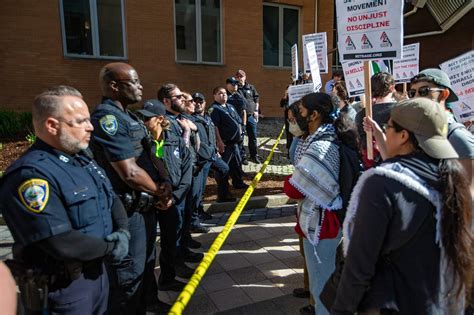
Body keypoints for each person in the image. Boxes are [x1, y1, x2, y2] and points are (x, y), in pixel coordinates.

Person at [333, 98, 473, 314]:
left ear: (403, 135)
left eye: (388, 126)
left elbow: (359, 264)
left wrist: (341, 310)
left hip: (393, 304)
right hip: (438, 303)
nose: (385, 132)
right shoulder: (453, 180)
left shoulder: (380, 183)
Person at [0, 86, 130, 314]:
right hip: (66, 289)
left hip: (97, 276)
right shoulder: (31, 175)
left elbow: (111, 198)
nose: (91, 127)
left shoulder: (81, 160)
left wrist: (123, 231)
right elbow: (60, 242)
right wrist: (112, 247)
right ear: (52, 125)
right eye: (81, 121)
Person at [90, 63, 172, 314]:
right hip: (126, 212)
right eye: (134, 82)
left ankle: (149, 302)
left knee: (146, 262)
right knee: (127, 276)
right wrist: (158, 191)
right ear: (114, 86)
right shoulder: (108, 119)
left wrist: (165, 182)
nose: (140, 86)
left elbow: (151, 153)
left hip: (145, 207)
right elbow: (129, 172)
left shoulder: (131, 117)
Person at [285, 92, 359, 315]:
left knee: (321, 285)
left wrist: (290, 179)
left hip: (321, 223)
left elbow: (294, 189)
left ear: (314, 114)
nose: (298, 116)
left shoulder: (320, 146)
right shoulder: (327, 136)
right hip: (328, 220)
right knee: (327, 280)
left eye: (302, 111)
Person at [409, 68, 474, 197]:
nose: (416, 97)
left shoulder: (457, 137)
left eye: (424, 91)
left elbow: (469, 195)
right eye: (412, 93)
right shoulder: (419, 134)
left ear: (444, 94)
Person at [192, 92, 235, 203]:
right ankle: (198, 210)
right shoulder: (191, 120)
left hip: (212, 153)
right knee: (200, 184)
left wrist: (216, 147)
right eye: (195, 102)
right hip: (201, 157)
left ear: (205, 103)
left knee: (224, 169)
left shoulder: (207, 117)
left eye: (200, 102)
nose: (198, 104)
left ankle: (223, 196)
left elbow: (212, 133)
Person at [355, 72, 397, 169]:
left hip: (369, 167)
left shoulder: (361, 114)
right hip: (395, 165)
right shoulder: (400, 111)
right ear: (392, 87)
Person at [209, 87, 248, 190]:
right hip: (225, 144)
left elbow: (238, 120)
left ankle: (238, 183)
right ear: (214, 96)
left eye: (225, 93)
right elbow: (214, 126)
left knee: (237, 164)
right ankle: (223, 189)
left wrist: (241, 131)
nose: (224, 95)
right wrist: (219, 141)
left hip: (235, 143)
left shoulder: (230, 106)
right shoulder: (214, 109)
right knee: (223, 168)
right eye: (220, 93)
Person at [235, 69, 262, 164]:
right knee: (241, 137)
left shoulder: (251, 87)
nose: (239, 78)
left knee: (253, 137)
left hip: (251, 116)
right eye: (238, 76)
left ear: (245, 77)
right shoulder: (235, 88)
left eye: (241, 76)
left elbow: (256, 98)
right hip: (240, 116)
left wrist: (256, 110)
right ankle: (242, 157)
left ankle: (253, 155)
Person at [226, 76, 248, 165]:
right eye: (233, 84)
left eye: (236, 84)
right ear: (227, 85)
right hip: (228, 125)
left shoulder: (239, 96)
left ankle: (241, 158)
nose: (235, 86)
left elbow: (244, 111)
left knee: (240, 143)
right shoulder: (225, 96)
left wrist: (244, 125)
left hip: (239, 124)